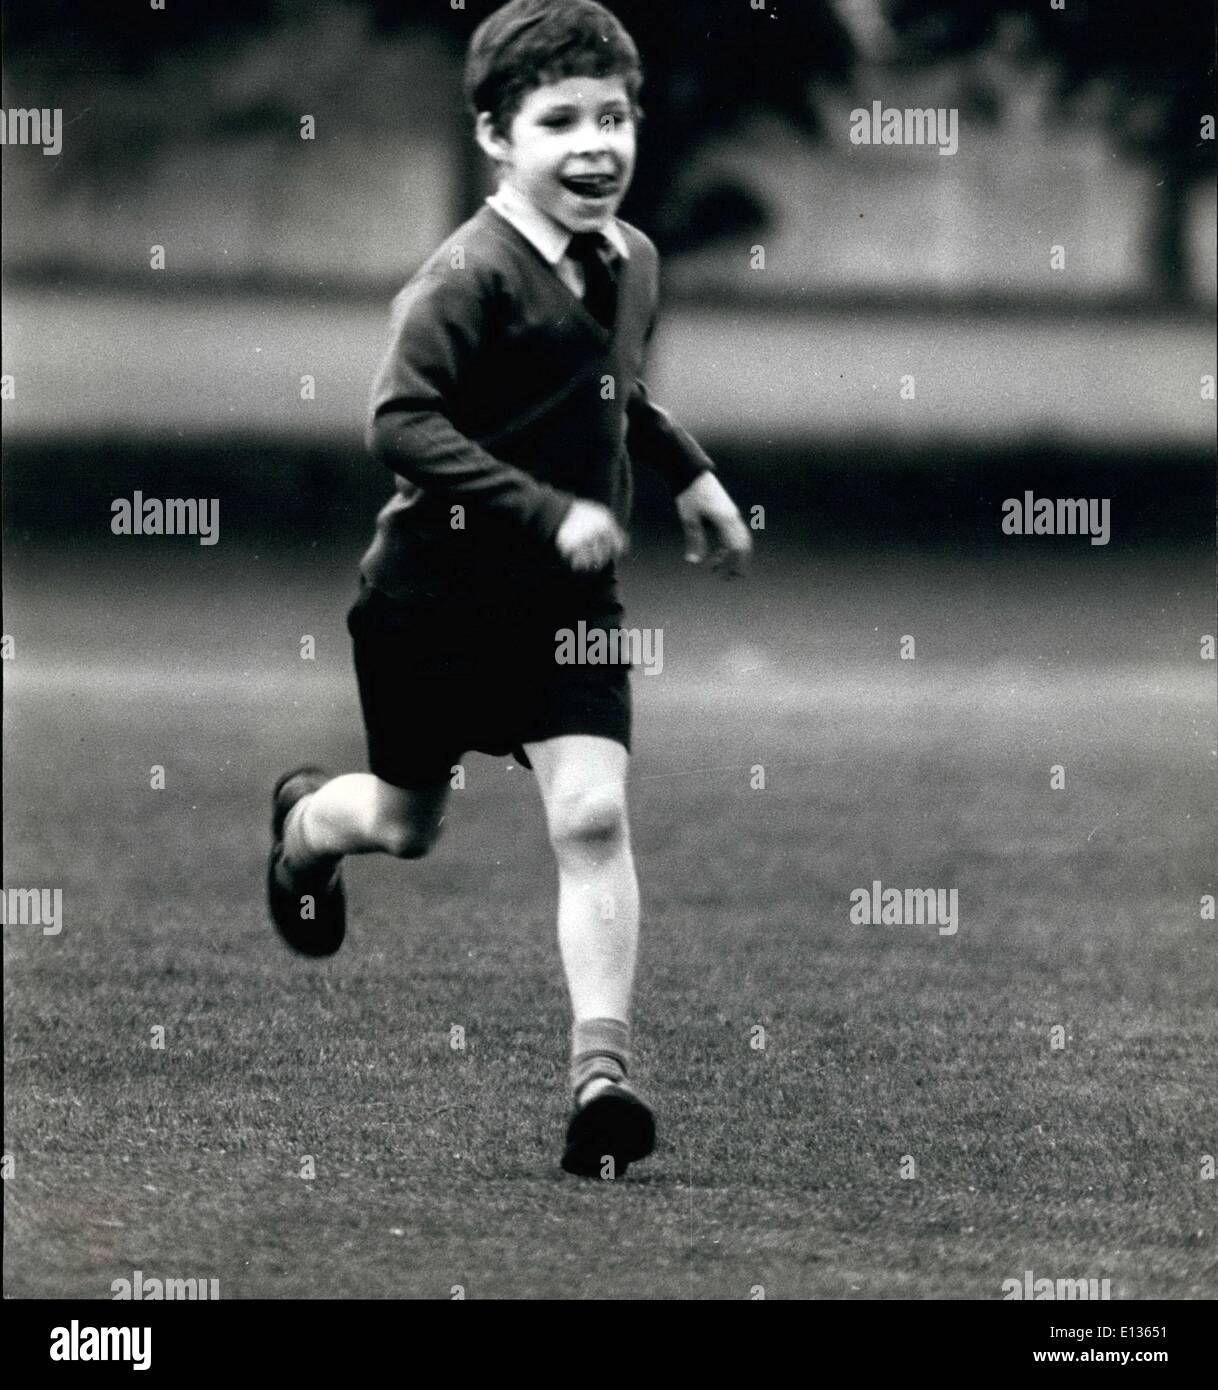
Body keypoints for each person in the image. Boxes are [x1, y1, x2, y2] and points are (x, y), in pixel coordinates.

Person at [266, 0, 751, 1178]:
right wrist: (547, 509)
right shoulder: (465, 276)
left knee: (591, 814)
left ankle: (601, 1080)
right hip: (429, 601)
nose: (598, 144)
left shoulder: (630, 259)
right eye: (561, 120)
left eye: (616, 116)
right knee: (403, 823)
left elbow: (615, 391)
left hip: (569, 611)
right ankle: (298, 833)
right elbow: (399, 422)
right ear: (497, 136)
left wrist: (691, 477)